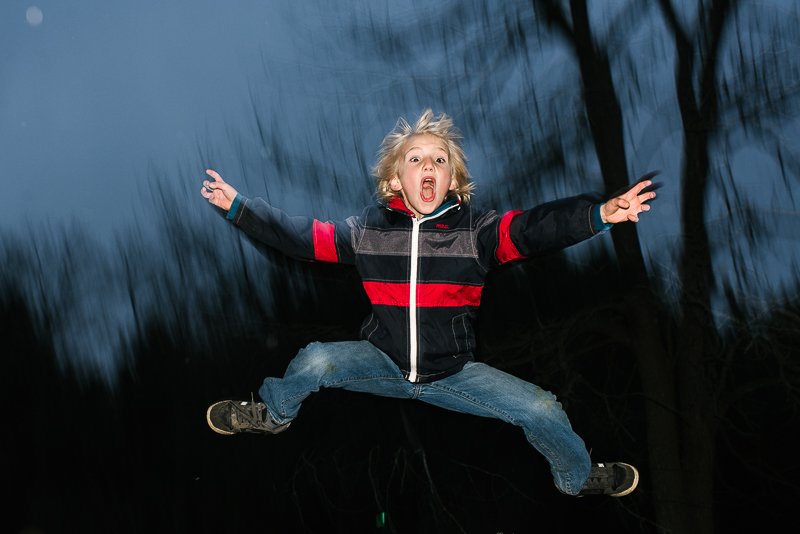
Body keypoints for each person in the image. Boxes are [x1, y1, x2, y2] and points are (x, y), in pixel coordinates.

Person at [200, 109, 655, 497]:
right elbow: (301, 238)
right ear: (396, 179)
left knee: (541, 408)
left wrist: (597, 215)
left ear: (452, 179)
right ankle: (272, 413)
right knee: (316, 359)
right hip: (381, 361)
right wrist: (240, 207)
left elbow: (532, 230)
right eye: (415, 159)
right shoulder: (367, 232)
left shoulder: (477, 233)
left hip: (454, 373)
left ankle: (577, 479)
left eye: (439, 160)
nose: (428, 166)